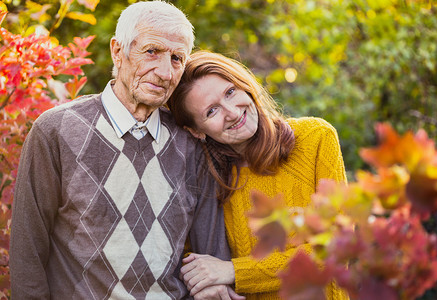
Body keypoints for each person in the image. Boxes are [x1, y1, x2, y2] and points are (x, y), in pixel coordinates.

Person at [10, 2, 233, 299]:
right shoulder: (55, 131)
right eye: (152, 51)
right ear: (118, 51)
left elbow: (212, 256)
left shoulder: (191, 143)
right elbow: (27, 251)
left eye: (177, 58)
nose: (165, 72)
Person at [168, 50, 348, 299]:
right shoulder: (207, 178)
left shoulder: (315, 138)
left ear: (244, 85)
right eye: (212, 111)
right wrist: (210, 282)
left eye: (230, 92)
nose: (232, 112)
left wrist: (234, 272)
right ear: (196, 131)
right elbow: (184, 255)